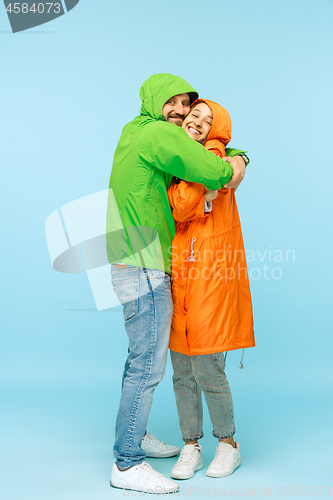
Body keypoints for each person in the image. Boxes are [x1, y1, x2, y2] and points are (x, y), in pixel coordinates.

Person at [106, 74, 248, 494]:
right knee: (148, 367)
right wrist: (236, 161)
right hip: (143, 264)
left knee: (141, 361)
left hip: (135, 259)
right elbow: (210, 168)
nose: (180, 111)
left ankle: (138, 434)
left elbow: (202, 154)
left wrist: (229, 149)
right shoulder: (156, 135)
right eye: (173, 102)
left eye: (186, 105)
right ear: (153, 102)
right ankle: (127, 462)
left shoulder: (136, 130)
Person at [167, 99, 255, 481]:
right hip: (178, 275)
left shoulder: (213, 157)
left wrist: (227, 159)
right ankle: (191, 445)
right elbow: (179, 204)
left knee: (208, 367)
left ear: (217, 130)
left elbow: (184, 204)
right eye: (193, 116)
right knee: (182, 370)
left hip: (209, 278)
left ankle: (228, 444)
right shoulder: (177, 159)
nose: (198, 123)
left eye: (207, 120)